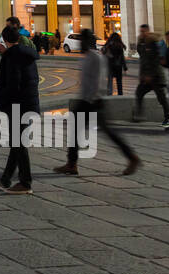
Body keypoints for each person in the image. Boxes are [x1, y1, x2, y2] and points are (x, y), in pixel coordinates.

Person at [54, 30, 139, 176]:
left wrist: (92, 98)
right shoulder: (88, 57)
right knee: (86, 131)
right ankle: (72, 163)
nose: (81, 43)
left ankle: (72, 164)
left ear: (87, 42)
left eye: (83, 40)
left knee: (104, 132)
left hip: (91, 101)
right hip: (88, 100)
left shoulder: (95, 57)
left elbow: (98, 81)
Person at [0, 25, 41, 195]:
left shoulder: (10, 57)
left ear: (5, 40)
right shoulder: (27, 54)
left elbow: (14, 83)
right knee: (17, 143)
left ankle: (25, 182)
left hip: (18, 105)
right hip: (30, 103)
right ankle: (5, 179)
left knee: (19, 143)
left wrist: (4, 97)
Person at [132, 24, 169, 126]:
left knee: (161, 98)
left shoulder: (153, 43)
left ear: (148, 31)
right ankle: (138, 115)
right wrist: (142, 75)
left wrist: (150, 75)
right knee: (139, 93)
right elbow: (143, 61)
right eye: (141, 31)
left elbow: (155, 61)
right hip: (146, 77)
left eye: (144, 31)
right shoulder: (141, 44)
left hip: (156, 77)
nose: (142, 33)